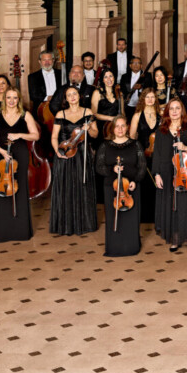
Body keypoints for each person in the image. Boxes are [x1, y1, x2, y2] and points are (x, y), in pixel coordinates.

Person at [0, 88, 39, 243]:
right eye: (8, 97)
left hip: (19, 155)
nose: (11, 101)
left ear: (18, 99)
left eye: (15, 98)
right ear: (4, 99)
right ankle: (2, 231)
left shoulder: (25, 115)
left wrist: (20, 135)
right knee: (0, 190)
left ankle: (20, 231)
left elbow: (36, 135)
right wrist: (2, 152)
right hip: (1, 156)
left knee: (20, 188)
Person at [151, 98, 187, 253]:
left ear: (182, 111)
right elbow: (157, 154)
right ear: (167, 111)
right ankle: (174, 239)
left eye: (177, 108)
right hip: (166, 173)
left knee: (186, 207)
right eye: (171, 108)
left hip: (183, 174)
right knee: (170, 206)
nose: (174, 111)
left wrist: (185, 147)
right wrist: (157, 174)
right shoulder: (161, 131)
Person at [49, 85, 98, 236]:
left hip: (82, 154)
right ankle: (65, 224)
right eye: (69, 95)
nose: (72, 97)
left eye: (74, 94)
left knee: (82, 187)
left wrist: (88, 128)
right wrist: (57, 151)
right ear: (66, 99)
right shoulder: (60, 114)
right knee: (65, 187)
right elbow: (54, 137)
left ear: (79, 95)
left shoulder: (87, 112)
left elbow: (95, 134)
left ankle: (84, 223)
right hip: (65, 153)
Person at [97, 116, 146, 257]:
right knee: (113, 217)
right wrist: (112, 170)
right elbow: (99, 166)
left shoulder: (135, 144)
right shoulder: (105, 145)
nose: (120, 129)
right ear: (112, 128)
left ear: (127, 127)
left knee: (131, 218)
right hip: (112, 188)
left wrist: (135, 181)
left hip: (130, 188)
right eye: (117, 126)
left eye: (123, 126)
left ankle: (131, 247)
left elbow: (142, 165)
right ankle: (114, 247)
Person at [131, 88, 162, 223]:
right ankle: (145, 216)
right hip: (143, 154)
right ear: (143, 99)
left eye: (152, 97)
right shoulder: (137, 115)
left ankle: (158, 216)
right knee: (145, 185)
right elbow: (132, 136)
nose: (150, 99)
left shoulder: (160, 114)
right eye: (147, 97)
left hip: (159, 154)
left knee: (158, 184)